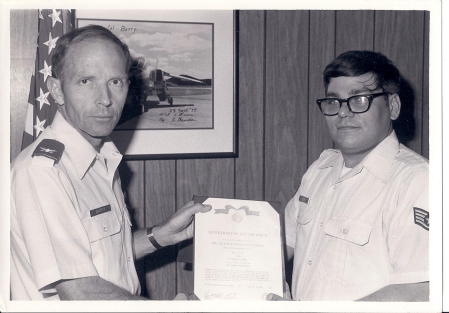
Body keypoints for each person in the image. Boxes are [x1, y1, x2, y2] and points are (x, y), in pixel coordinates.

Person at [10, 25, 211, 301]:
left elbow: (101, 255)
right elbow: (80, 291)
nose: (105, 100)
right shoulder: (43, 172)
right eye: (86, 81)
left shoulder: (102, 157)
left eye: (115, 82)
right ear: (57, 91)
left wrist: (161, 235)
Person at [267, 50, 429, 301]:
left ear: (393, 106)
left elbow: (419, 291)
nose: (343, 112)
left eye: (360, 99)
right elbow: (278, 245)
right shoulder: (319, 170)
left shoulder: (417, 181)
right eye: (333, 102)